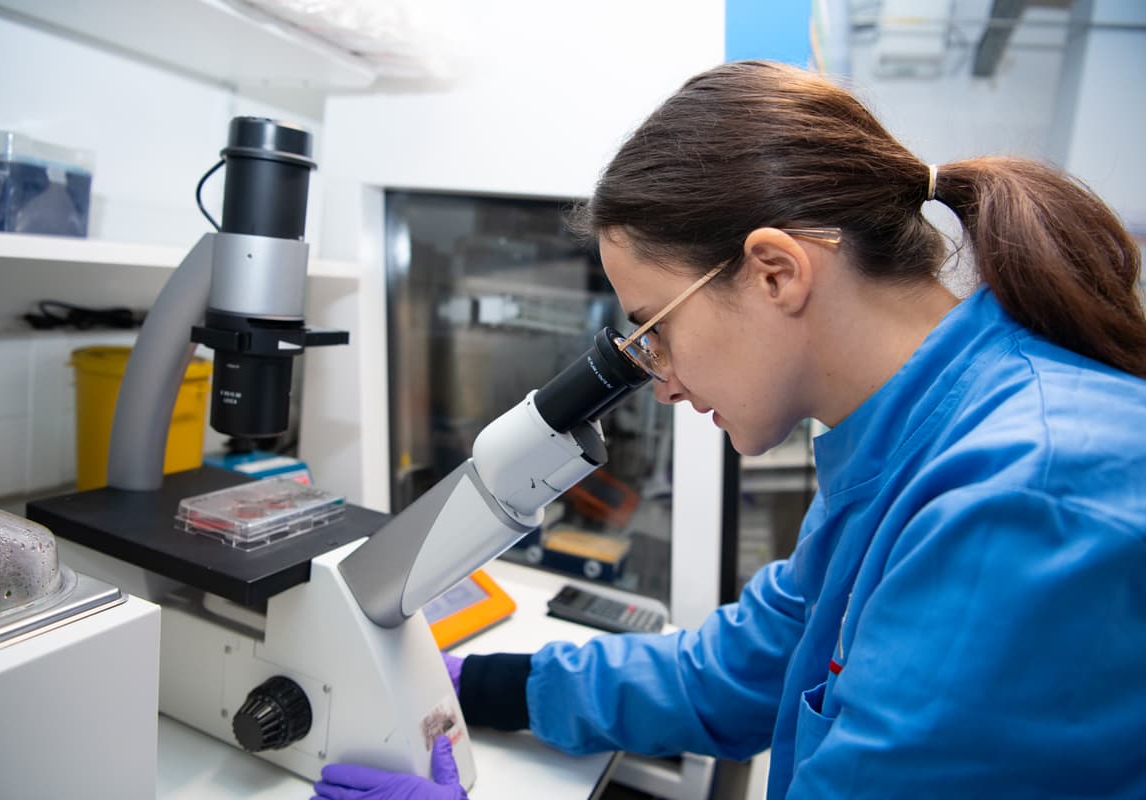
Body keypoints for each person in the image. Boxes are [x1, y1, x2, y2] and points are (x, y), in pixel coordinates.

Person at [312, 60, 1146, 799]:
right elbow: (741, 672)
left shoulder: (1026, 494)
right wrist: (479, 684)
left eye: (653, 328)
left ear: (776, 271)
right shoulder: (899, 440)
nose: (659, 379)